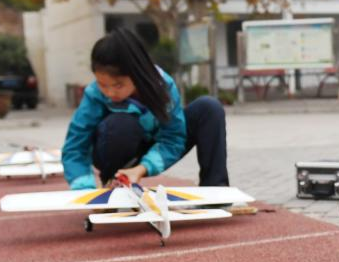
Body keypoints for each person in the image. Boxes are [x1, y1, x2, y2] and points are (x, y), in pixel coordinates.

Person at [62, 27, 229, 190]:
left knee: (209, 107)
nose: (110, 92)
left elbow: (173, 138)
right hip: (113, 146)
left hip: (155, 149)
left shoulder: (162, 86)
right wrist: (85, 190)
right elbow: (75, 146)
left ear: (137, 74)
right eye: (102, 84)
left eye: (118, 85)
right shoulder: (95, 94)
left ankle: (215, 190)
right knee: (121, 124)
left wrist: (141, 169)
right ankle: (114, 183)